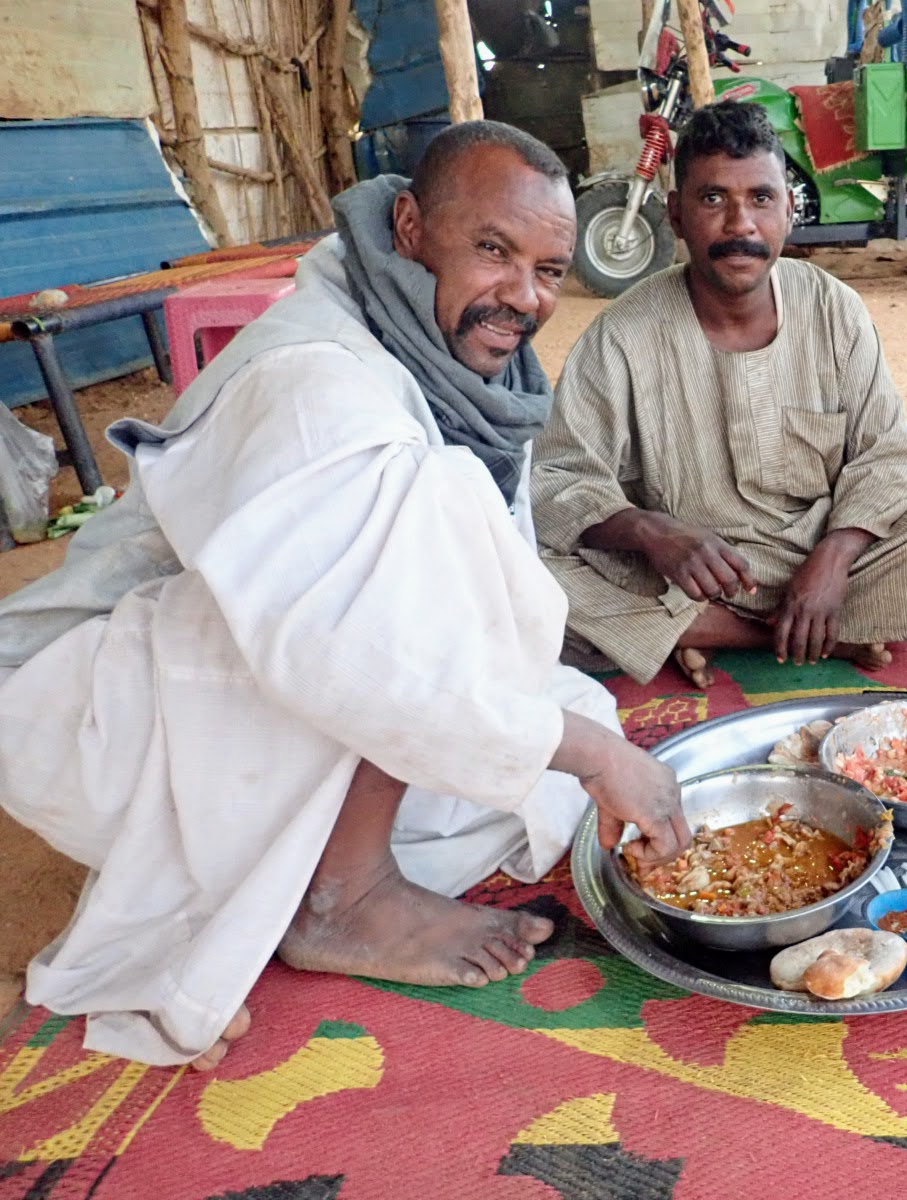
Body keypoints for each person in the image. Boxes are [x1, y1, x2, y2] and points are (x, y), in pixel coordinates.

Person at [0, 121, 690, 1069]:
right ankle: (344, 897)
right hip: (89, 714)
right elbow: (352, 655)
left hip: (232, 689)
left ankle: (304, 864)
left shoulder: (442, 353)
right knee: (533, 693)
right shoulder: (318, 384)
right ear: (409, 226)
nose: (523, 296)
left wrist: (566, 741)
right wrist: (597, 759)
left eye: (546, 268)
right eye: (492, 250)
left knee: (542, 741)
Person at [533, 102, 907, 696]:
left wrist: (835, 559)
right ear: (677, 216)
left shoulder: (834, 309)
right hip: (687, 575)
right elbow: (561, 479)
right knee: (526, 569)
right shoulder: (623, 333)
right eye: (713, 199)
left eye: (761, 199)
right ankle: (774, 633)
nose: (740, 224)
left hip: (821, 560)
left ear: (789, 211)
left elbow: (884, 455)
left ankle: (710, 632)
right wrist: (652, 533)